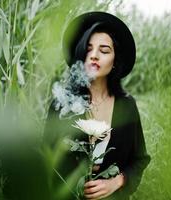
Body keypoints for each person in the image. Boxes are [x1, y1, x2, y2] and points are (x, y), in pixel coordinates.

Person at [43, 11, 150, 200]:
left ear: (115, 61)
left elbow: (139, 159)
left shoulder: (127, 106)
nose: (94, 56)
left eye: (104, 50)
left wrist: (117, 182)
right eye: (88, 49)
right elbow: (45, 163)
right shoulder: (62, 104)